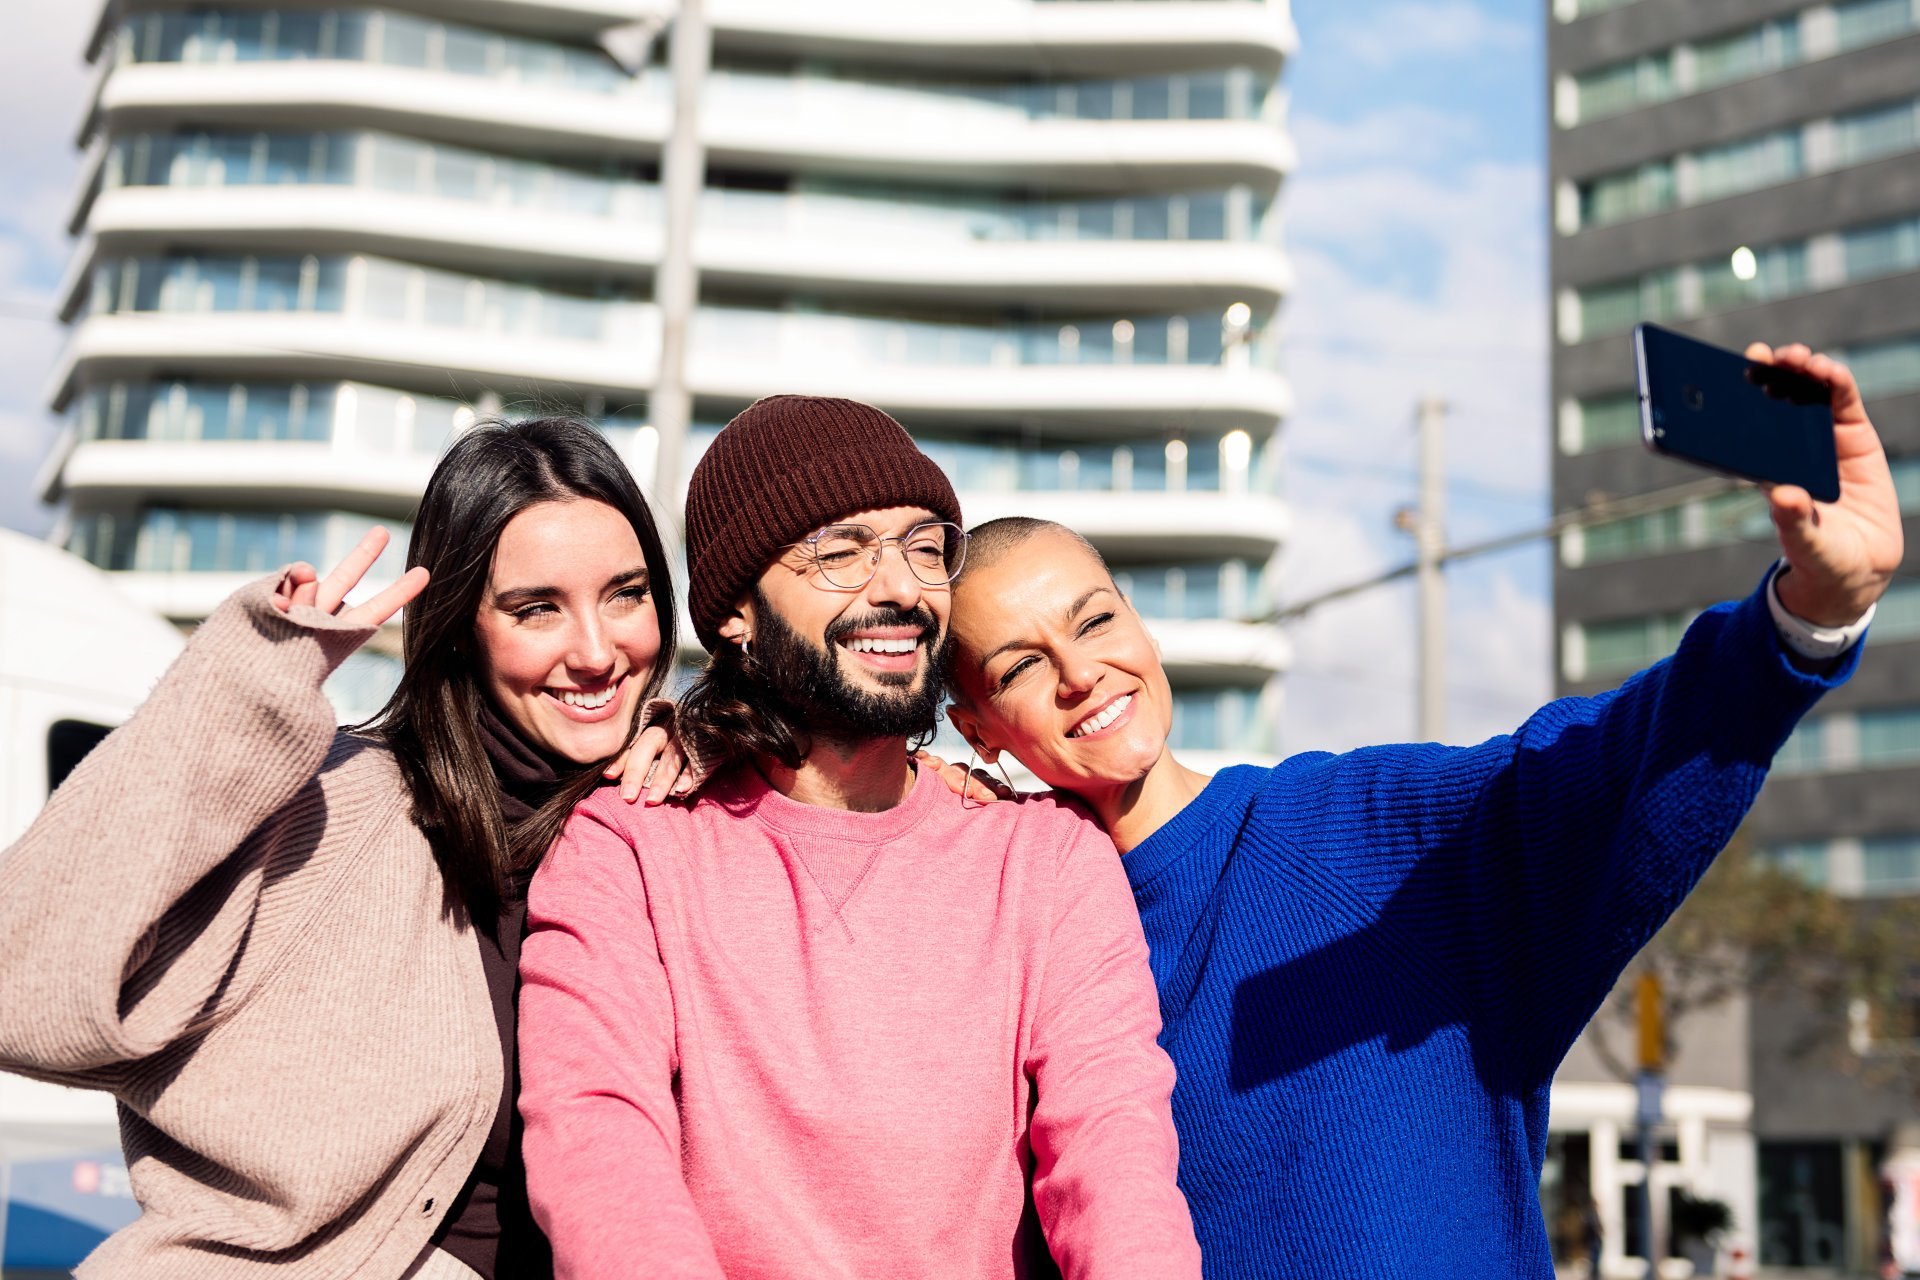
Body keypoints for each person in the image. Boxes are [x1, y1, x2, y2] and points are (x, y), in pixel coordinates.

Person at [926, 342, 1902, 1277]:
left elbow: (1606, 767)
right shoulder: (1011, 947)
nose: (1079, 671)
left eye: (1094, 617)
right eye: (1020, 663)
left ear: (1137, 621)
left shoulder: (1345, 833)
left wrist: (1810, 613)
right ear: (979, 726)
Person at [517, 395, 1201, 1278]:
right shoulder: (629, 848)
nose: (900, 589)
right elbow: (599, 1150)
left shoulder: (1047, 858)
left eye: (925, 547)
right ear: (736, 613)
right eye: (839, 553)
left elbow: (1115, 1160)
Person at [0, 418, 682, 1278]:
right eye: (536, 608)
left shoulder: (664, 817)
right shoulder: (337, 805)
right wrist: (248, 690)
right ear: (459, 625)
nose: (596, 651)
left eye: (625, 594)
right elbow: (20, 980)